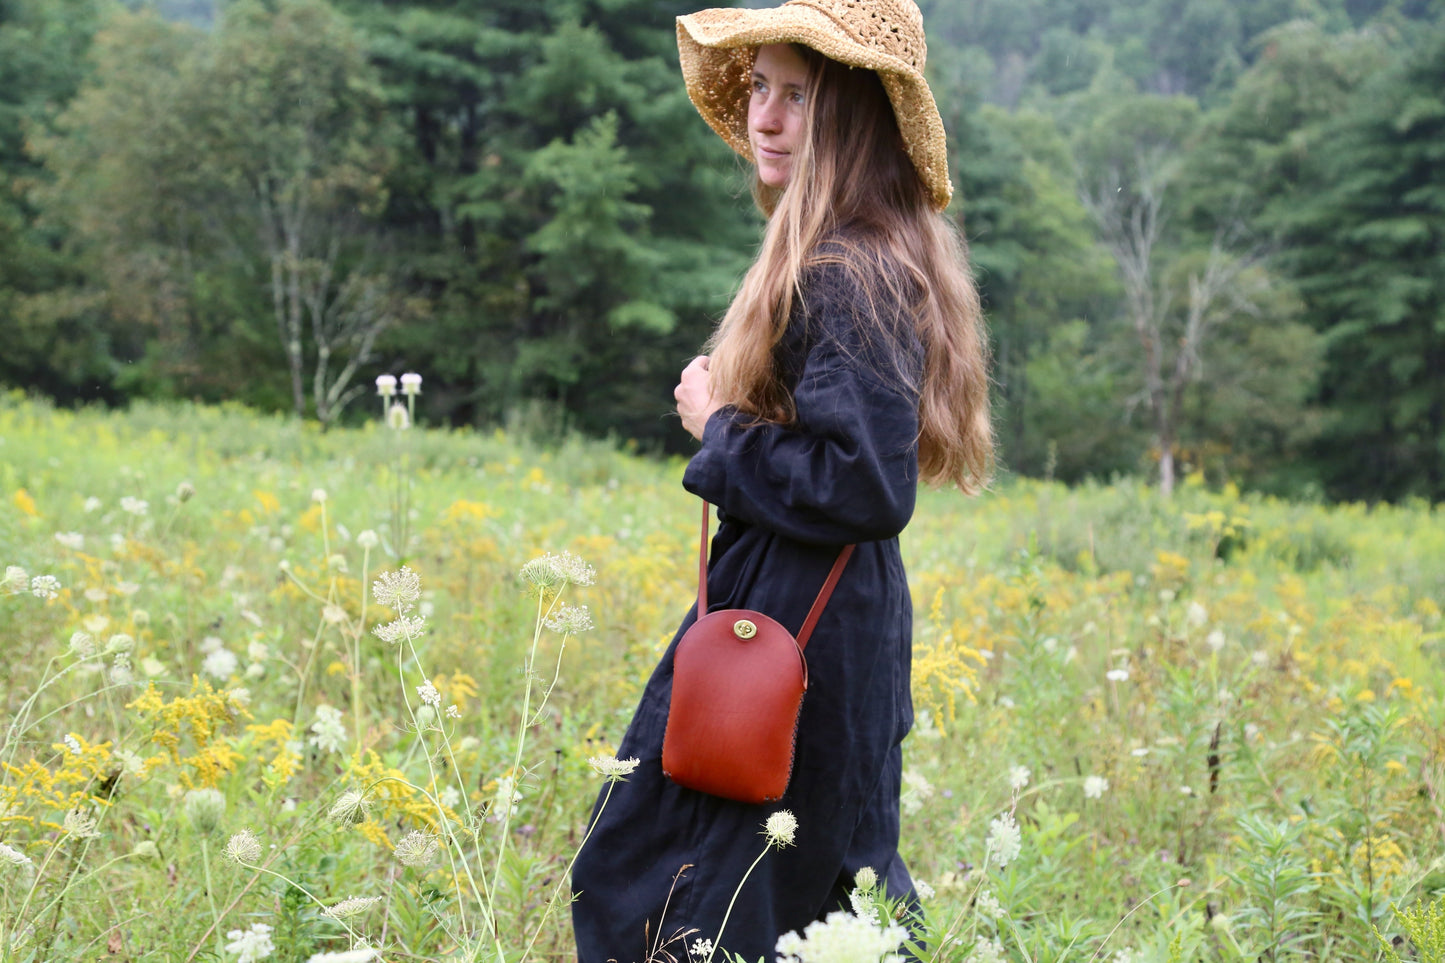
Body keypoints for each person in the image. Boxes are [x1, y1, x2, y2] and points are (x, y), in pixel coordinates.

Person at [570, 0, 992, 958]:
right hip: (821, 615)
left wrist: (718, 427)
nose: (762, 117)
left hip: (804, 618)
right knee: (812, 890)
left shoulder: (848, 269)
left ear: (853, 117)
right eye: (759, 87)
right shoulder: (866, 249)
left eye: (796, 96)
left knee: (676, 877)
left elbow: (865, 485)